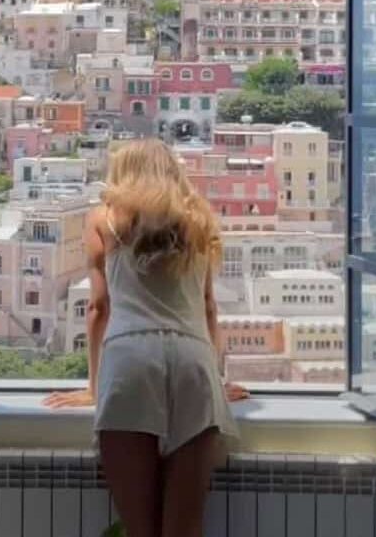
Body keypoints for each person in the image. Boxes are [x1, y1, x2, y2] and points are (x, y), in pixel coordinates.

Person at [44, 138, 248, 537]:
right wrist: (217, 381)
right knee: (184, 529)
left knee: (140, 529)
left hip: (130, 359)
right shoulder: (199, 220)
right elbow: (208, 308)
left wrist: (94, 388)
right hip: (193, 362)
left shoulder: (104, 220)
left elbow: (99, 308)